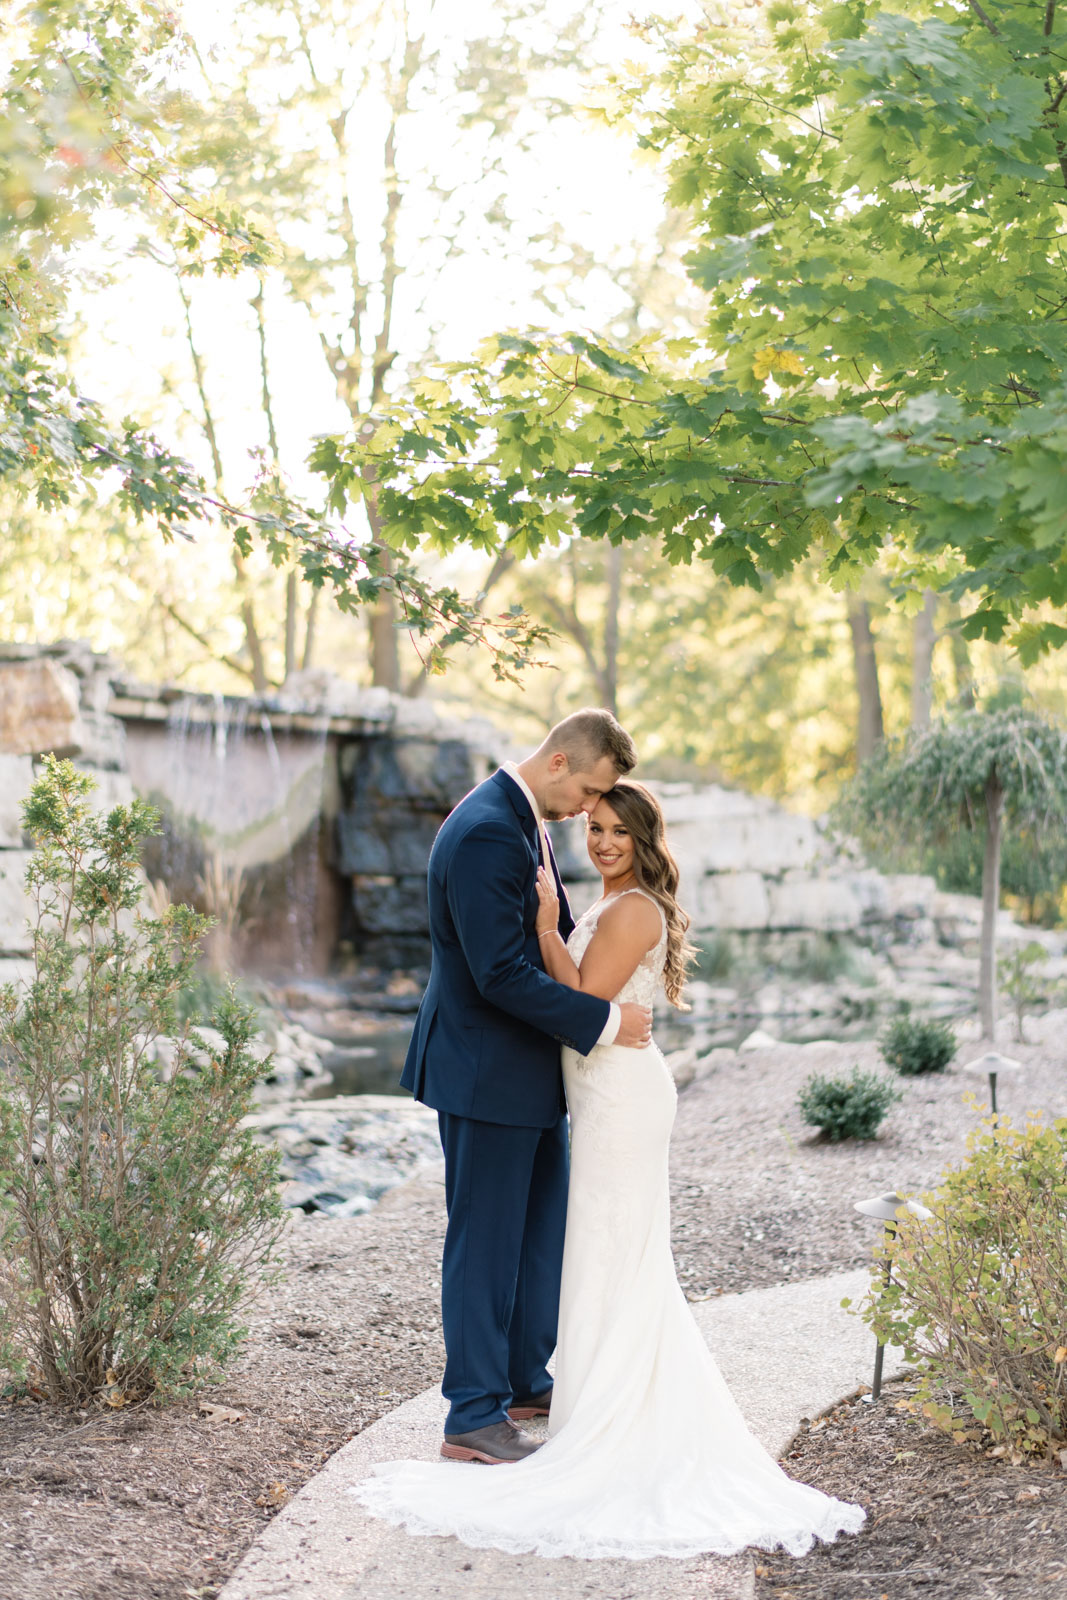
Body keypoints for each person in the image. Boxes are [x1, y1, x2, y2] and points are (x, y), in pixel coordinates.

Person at [354, 780, 866, 1560]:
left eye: (618, 833)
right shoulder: (600, 893)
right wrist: (551, 926)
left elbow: (586, 995)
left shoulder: (631, 909)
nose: (600, 842)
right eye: (594, 827)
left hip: (619, 1095)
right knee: (590, 1243)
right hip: (590, 1093)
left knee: (613, 1246)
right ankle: (573, 1386)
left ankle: (612, 1398)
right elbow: (578, 994)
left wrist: (545, 929)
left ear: (646, 842)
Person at [399, 709, 653, 1467]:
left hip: (528, 1073)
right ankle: (472, 1415)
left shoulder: (522, 817)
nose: (588, 810)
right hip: (485, 1073)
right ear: (557, 764)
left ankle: (520, 1381)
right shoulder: (486, 829)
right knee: (485, 1246)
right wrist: (605, 1023)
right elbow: (498, 975)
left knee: (538, 1235)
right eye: (588, 790)